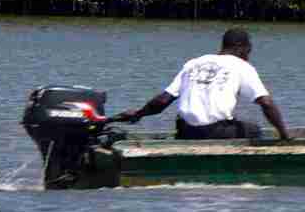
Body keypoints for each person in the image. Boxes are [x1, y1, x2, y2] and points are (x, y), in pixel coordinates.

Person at [113, 27, 293, 141]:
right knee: (254, 131)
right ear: (240, 46)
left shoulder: (193, 63)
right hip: (216, 132)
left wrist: (139, 113)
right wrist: (284, 135)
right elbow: (266, 103)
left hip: (186, 132)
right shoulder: (241, 66)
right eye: (248, 50)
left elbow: (162, 101)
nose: (249, 54)